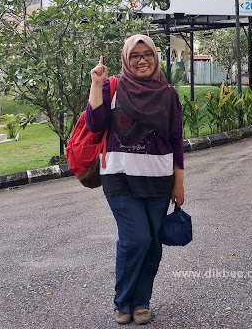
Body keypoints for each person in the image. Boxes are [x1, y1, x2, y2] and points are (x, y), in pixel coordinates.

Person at [85, 34, 185, 325]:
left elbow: (176, 140)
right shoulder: (112, 87)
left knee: (153, 242)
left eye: (147, 55)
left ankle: (141, 301)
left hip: (158, 178)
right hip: (119, 177)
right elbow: (95, 124)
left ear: (155, 57)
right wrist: (96, 84)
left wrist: (179, 182)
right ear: (126, 60)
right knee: (135, 238)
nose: (142, 61)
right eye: (135, 56)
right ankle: (123, 300)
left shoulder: (168, 94)